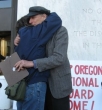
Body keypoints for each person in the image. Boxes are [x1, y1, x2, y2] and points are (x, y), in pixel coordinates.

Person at [14, 6, 72, 110]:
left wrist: (32, 63)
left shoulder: (61, 31)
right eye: (29, 19)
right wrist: (17, 43)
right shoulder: (33, 31)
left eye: (33, 17)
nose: (30, 21)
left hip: (58, 83)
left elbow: (59, 58)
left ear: (44, 16)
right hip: (38, 83)